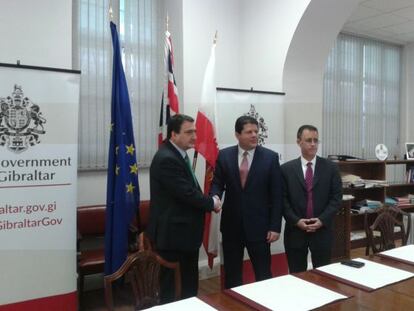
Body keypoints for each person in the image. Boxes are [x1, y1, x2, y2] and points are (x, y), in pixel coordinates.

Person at [146, 114, 221, 302]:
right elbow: (186, 193)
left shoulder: (178, 154)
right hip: (174, 236)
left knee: (188, 285)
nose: (195, 136)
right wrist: (211, 203)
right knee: (172, 290)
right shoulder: (167, 158)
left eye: (195, 131)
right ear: (173, 134)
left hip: (183, 235)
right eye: (189, 132)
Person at [210, 115, 283, 289]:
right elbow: (217, 183)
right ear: (237, 134)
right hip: (232, 227)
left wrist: (275, 226)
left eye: (256, 131)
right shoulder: (224, 155)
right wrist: (215, 197)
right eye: (249, 132)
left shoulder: (270, 158)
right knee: (233, 275)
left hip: (260, 228)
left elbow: (277, 195)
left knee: (263, 274)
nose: (254, 135)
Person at [281, 125, 342, 273]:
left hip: (322, 231)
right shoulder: (286, 169)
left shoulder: (330, 168)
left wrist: (322, 220)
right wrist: (296, 221)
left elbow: (336, 198)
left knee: (323, 276)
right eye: (309, 140)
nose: (313, 144)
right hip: (295, 232)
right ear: (298, 142)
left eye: (316, 140)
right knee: (297, 275)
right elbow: (282, 200)